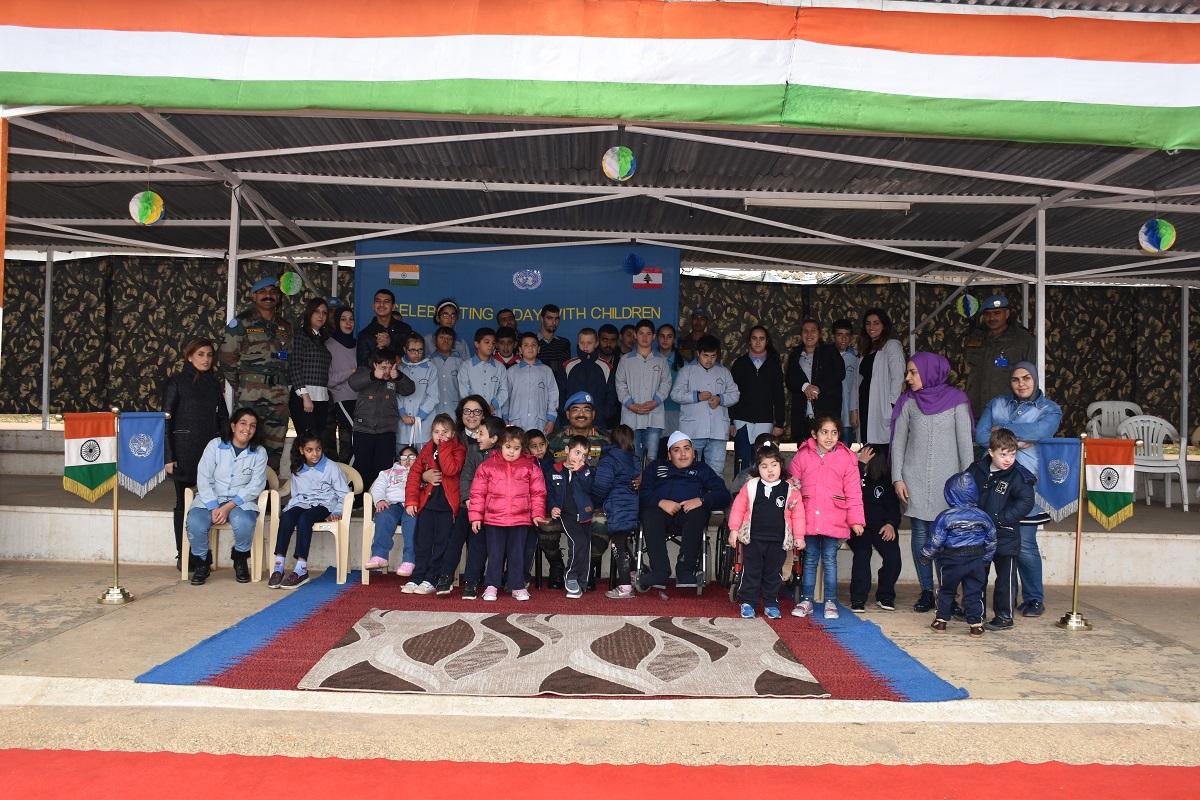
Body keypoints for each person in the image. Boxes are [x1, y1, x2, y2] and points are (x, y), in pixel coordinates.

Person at [974, 361, 1062, 618]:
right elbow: (980, 436)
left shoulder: (1049, 409)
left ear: (1035, 379)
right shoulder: (997, 403)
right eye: (1015, 379)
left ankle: (1034, 599)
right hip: (994, 483)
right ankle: (1006, 598)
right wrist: (1021, 439)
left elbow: (1043, 430)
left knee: (1024, 545)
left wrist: (1001, 432)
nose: (1021, 384)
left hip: (1026, 484)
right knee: (999, 544)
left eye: (1026, 378)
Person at [890, 352, 975, 613]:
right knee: (920, 534)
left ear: (930, 372)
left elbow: (966, 446)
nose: (908, 377)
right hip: (913, 478)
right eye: (908, 372)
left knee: (947, 539)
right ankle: (927, 590)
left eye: (913, 372)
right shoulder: (908, 401)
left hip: (949, 484)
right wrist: (897, 478)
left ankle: (947, 594)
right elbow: (898, 443)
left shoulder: (957, 400)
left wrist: (967, 485)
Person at [162, 337, 229, 571]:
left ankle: (201, 553)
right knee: (183, 503)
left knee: (207, 502)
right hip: (184, 452)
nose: (206, 359)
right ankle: (183, 554)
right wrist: (168, 456)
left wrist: (227, 448)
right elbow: (165, 421)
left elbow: (223, 418)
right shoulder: (176, 382)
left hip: (210, 452)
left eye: (209, 355)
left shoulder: (214, 384)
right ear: (189, 356)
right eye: (200, 354)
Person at [789, 417, 865, 619]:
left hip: (835, 517)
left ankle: (830, 601)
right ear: (814, 434)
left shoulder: (847, 458)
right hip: (808, 517)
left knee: (830, 560)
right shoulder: (802, 455)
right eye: (824, 432)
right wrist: (790, 515)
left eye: (834, 432)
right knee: (810, 559)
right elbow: (792, 487)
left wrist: (856, 520)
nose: (829, 437)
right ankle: (806, 600)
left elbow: (854, 492)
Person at [636, 430, 731, 591]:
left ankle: (685, 570)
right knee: (649, 513)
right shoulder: (656, 467)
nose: (683, 454)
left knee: (699, 512)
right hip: (660, 515)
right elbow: (643, 493)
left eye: (687, 448)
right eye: (676, 450)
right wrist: (660, 502)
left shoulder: (702, 469)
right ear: (669, 455)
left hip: (690, 516)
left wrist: (701, 500)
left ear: (693, 453)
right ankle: (659, 571)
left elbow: (723, 495)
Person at [184, 408, 267, 586]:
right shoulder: (215, 445)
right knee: (195, 522)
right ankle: (202, 562)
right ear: (233, 426)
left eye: (252, 425)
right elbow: (203, 477)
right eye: (243, 423)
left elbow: (256, 485)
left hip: (240, 501)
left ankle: (240, 559)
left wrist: (228, 506)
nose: (247, 429)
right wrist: (214, 506)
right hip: (210, 498)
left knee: (244, 522)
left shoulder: (259, 452)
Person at [219, 276, 291, 472]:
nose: (268, 296)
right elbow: (226, 358)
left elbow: (288, 358)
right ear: (254, 296)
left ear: (278, 297)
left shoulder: (285, 326)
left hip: (278, 396)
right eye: (263, 292)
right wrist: (241, 384)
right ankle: (244, 485)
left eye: (273, 292)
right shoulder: (241, 322)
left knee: (275, 446)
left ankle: (269, 488)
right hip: (251, 395)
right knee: (247, 441)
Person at [470, 426, 550, 602]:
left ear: (523, 448)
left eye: (516, 448)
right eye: (508, 447)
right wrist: (476, 516)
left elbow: (538, 493)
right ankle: (492, 585)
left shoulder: (530, 467)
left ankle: (517, 585)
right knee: (495, 554)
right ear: (500, 445)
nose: (512, 452)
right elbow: (477, 493)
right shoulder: (487, 466)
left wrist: (537, 514)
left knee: (517, 554)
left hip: (520, 519)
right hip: (494, 519)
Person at [967, 428, 1036, 631]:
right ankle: (976, 613)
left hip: (1006, 534)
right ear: (991, 452)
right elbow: (964, 491)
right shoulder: (976, 469)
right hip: (980, 534)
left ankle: (1004, 616)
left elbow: (1026, 501)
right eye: (1003, 454)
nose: (1008, 459)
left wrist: (1000, 518)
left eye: (1012, 454)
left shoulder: (1018, 475)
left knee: (1006, 578)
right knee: (977, 575)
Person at [726, 444, 805, 620]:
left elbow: (798, 514)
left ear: (781, 466)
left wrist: (799, 536)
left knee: (773, 573)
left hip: (778, 540)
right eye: (764, 466)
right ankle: (748, 602)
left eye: (774, 465)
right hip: (753, 539)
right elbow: (738, 508)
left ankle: (771, 603)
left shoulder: (790, 490)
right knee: (751, 571)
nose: (770, 470)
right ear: (758, 468)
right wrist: (734, 530)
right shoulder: (750, 486)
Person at [269, 433, 350, 590]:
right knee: (286, 517)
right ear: (301, 450)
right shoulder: (298, 468)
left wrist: (337, 512)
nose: (315, 454)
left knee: (305, 519)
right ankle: (279, 566)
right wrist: (289, 510)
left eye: (318, 449)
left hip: (324, 504)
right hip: (303, 502)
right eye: (309, 450)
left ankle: (301, 569)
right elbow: (297, 495)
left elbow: (344, 494)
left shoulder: (331, 467)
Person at [921, 472, 996, 637]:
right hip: (976, 559)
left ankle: (941, 621)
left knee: (947, 590)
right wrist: (986, 559)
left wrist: (926, 555)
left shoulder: (946, 517)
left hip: (952, 560)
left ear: (950, 494)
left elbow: (936, 539)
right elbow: (991, 539)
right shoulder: (983, 516)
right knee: (974, 592)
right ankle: (976, 625)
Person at [440, 395, 498, 597]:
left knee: (478, 543)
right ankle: (445, 577)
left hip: (487, 506)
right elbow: (461, 474)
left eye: (477, 411)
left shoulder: (499, 446)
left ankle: (472, 580)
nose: (472, 415)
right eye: (467, 411)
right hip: (460, 499)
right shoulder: (452, 436)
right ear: (460, 414)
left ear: (485, 415)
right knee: (454, 540)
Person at [403, 414, 466, 595]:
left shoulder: (458, 449)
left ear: (453, 434)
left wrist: (444, 446)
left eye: (445, 432)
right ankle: (417, 577)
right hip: (428, 504)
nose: (440, 435)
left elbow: (450, 469)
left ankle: (431, 578)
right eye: (436, 432)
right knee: (422, 542)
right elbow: (414, 474)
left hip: (446, 506)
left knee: (441, 544)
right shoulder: (426, 449)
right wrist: (411, 500)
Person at [348, 347, 415, 497]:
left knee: (383, 468)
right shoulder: (365, 372)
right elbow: (353, 383)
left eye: (389, 367)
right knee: (362, 465)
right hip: (363, 430)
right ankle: (358, 500)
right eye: (383, 367)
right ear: (375, 365)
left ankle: (379, 500)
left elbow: (409, 389)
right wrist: (372, 375)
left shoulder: (394, 376)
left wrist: (398, 376)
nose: (387, 371)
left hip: (387, 431)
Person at [671, 334, 739, 479]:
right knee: (689, 471)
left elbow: (735, 394)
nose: (709, 360)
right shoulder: (687, 371)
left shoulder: (724, 372)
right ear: (698, 353)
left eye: (713, 356)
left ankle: (713, 495)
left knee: (716, 473)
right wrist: (696, 396)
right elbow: (675, 394)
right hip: (693, 431)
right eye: (705, 355)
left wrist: (720, 399)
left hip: (717, 432)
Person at [453, 415, 504, 599]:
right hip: (475, 507)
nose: (476, 437)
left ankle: (492, 582)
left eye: (481, 433)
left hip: (497, 511)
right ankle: (467, 580)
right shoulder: (474, 451)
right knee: (472, 542)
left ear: (494, 438)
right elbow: (467, 478)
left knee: (493, 549)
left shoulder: (504, 456)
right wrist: (468, 499)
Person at [965, 295, 1036, 419]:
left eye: (997, 313)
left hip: (1008, 409)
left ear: (1007, 314)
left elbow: (1032, 376)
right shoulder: (975, 337)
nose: (992, 318)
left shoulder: (1023, 340)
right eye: (987, 314)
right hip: (977, 408)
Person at [850, 445, 902, 613]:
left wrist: (891, 524)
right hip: (858, 526)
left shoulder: (885, 481)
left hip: (881, 527)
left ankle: (885, 595)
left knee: (893, 557)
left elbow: (893, 507)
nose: (861, 458)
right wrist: (859, 464)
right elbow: (847, 487)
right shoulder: (854, 474)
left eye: (866, 456)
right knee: (863, 554)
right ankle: (858, 598)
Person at [729, 325, 786, 475]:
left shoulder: (774, 365)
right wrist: (730, 421)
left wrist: (779, 423)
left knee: (763, 461)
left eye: (761, 338)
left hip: (765, 422)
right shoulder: (740, 363)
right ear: (749, 341)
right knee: (741, 462)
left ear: (767, 341)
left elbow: (779, 395)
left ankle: (761, 490)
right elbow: (731, 392)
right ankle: (740, 490)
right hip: (741, 421)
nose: (758, 342)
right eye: (754, 338)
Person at [592, 424, 640, 599]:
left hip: (616, 505)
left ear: (610, 439)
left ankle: (625, 586)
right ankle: (635, 573)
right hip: (632, 504)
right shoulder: (634, 458)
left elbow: (601, 485)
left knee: (617, 545)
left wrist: (596, 502)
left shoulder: (608, 459)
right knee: (623, 541)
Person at [615, 319, 672, 464]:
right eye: (641, 333)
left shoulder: (661, 360)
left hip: (654, 416)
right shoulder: (625, 360)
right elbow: (620, 384)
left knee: (651, 459)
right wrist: (631, 404)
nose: (645, 337)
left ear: (654, 336)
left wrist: (655, 402)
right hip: (631, 417)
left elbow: (666, 383)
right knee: (632, 458)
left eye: (648, 334)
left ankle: (648, 480)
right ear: (635, 335)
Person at [549, 435, 596, 599]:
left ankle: (583, 580)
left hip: (585, 513)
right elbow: (549, 493)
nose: (580, 458)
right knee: (579, 542)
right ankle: (571, 576)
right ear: (567, 450)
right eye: (577, 452)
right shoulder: (555, 470)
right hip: (566, 515)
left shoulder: (587, 471)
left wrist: (581, 471)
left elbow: (590, 488)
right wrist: (552, 507)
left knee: (586, 547)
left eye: (584, 455)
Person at [786, 318, 845, 443]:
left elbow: (839, 373)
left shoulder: (830, 351)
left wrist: (819, 387)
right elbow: (790, 379)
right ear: (801, 334)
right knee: (805, 451)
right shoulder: (795, 354)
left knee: (828, 451)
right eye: (805, 331)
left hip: (826, 415)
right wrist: (805, 387)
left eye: (813, 331)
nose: (809, 334)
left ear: (820, 333)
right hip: (803, 417)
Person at [855, 308, 905, 450]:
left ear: (884, 325)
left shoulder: (892, 345)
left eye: (876, 323)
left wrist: (891, 405)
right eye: (868, 323)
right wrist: (854, 408)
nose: (871, 327)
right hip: (865, 404)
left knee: (882, 447)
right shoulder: (866, 349)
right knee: (868, 445)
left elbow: (898, 377)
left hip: (882, 405)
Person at [364, 445, 419, 576]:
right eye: (404, 457)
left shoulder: (421, 473)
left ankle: (409, 561)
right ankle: (379, 556)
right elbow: (377, 488)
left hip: (411, 505)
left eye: (411, 457)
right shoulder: (387, 473)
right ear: (399, 459)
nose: (407, 460)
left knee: (412, 522)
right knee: (383, 516)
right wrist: (380, 500)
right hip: (392, 504)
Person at [523, 428, 564, 588]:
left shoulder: (554, 463)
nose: (539, 449)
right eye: (534, 446)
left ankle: (557, 566)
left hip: (550, 508)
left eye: (542, 445)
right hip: (528, 509)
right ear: (526, 448)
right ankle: (517, 574)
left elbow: (555, 490)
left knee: (548, 529)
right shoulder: (524, 464)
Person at [287, 298, 332, 440]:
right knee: (307, 441)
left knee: (317, 441)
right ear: (309, 313)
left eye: (324, 312)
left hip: (321, 397)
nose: (321, 316)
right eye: (317, 311)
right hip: (303, 397)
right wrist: (305, 396)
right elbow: (294, 366)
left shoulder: (322, 338)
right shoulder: (301, 335)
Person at [560, 327, 617, 433]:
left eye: (589, 343)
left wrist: (604, 415)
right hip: (572, 424)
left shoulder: (606, 367)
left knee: (598, 445)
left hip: (599, 424)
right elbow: (561, 395)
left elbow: (611, 396)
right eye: (582, 343)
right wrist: (565, 418)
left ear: (596, 343)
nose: (585, 346)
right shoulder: (568, 365)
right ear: (578, 343)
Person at [507, 331, 559, 434]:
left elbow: (553, 395)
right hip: (516, 422)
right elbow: (505, 396)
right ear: (520, 350)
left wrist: (551, 419)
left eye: (533, 345)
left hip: (540, 422)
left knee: (538, 443)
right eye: (526, 345)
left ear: (539, 349)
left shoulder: (546, 371)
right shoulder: (512, 371)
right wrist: (505, 418)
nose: (530, 348)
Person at [324, 306, 358, 464]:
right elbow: (328, 380)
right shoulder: (329, 345)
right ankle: (346, 476)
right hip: (342, 399)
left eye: (351, 319)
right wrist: (351, 371)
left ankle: (355, 477)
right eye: (343, 319)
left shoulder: (358, 344)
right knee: (349, 442)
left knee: (358, 441)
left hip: (361, 400)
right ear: (337, 322)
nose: (348, 323)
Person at [397, 333, 438, 450]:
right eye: (412, 350)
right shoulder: (399, 368)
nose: (416, 354)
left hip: (424, 425)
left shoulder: (430, 367)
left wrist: (419, 417)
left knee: (424, 457)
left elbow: (433, 396)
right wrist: (403, 414)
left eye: (420, 350)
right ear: (405, 349)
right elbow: (396, 395)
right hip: (403, 425)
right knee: (402, 457)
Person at [457, 326, 509, 419]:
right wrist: (477, 408)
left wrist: (492, 406)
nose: (491, 346)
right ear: (477, 344)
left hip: (494, 413)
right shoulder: (466, 366)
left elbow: (504, 391)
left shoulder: (500, 367)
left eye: (493, 343)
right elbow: (464, 392)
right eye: (487, 342)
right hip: (472, 415)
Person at [357, 288, 413, 367]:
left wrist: (390, 344)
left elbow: (412, 359)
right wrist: (379, 349)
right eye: (378, 301)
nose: (381, 304)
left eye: (386, 301)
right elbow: (362, 366)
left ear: (393, 307)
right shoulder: (364, 334)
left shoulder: (405, 329)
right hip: (374, 375)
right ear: (373, 306)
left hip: (401, 374)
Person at [549, 391, 608, 466]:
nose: (581, 414)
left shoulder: (606, 439)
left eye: (586, 410)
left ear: (593, 414)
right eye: (575, 409)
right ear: (568, 414)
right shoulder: (554, 439)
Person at [831, 319, 859, 446]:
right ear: (833, 336)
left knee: (845, 448)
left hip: (848, 413)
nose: (843, 338)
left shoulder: (856, 357)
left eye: (847, 335)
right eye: (839, 334)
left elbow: (857, 387)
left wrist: (855, 410)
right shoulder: (826, 355)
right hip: (831, 413)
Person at [656, 323, 685, 445]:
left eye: (669, 336)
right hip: (654, 411)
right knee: (655, 450)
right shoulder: (649, 359)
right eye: (662, 336)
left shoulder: (683, 363)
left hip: (676, 412)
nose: (665, 339)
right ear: (657, 338)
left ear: (674, 339)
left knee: (674, 448)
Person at [428, 325, 464, 417]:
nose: (445, 341)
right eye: (442, 337)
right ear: (435, 340)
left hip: (455, 409)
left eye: (449, 338)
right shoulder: (428, 362)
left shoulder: (461, 363)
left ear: (453, 342)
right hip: (433, 410)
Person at [535, 304, 572, 378]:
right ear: (541, 319)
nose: (554, 322)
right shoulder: (531, 343)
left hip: (559, 384)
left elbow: (564, 368)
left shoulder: (564, 343)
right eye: (550, 318)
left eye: (556, 319)